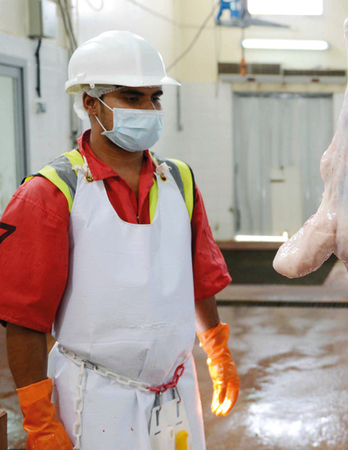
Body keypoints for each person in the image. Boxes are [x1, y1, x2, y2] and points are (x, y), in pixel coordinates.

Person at [0, 31, 239, 449]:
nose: (148, 110)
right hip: (92, 399)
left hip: (175, 392)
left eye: (154, 97)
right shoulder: (50, 193)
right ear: (91, 103)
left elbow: (200, 279)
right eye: (131, 98)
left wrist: (218, 352)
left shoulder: (178, 181)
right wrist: (39, 417)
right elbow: (24, 320)